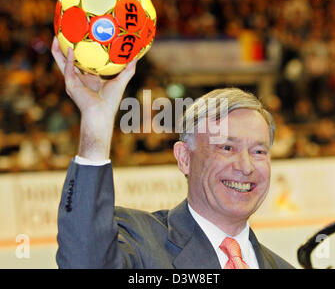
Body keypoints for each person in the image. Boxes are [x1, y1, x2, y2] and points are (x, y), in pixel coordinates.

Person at [51, 37, 294, 269]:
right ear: (185, 158)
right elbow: (85, 261)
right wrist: (96, 123)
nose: (246, 166)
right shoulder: (140, 241)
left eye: (259, 151)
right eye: (227, 148)